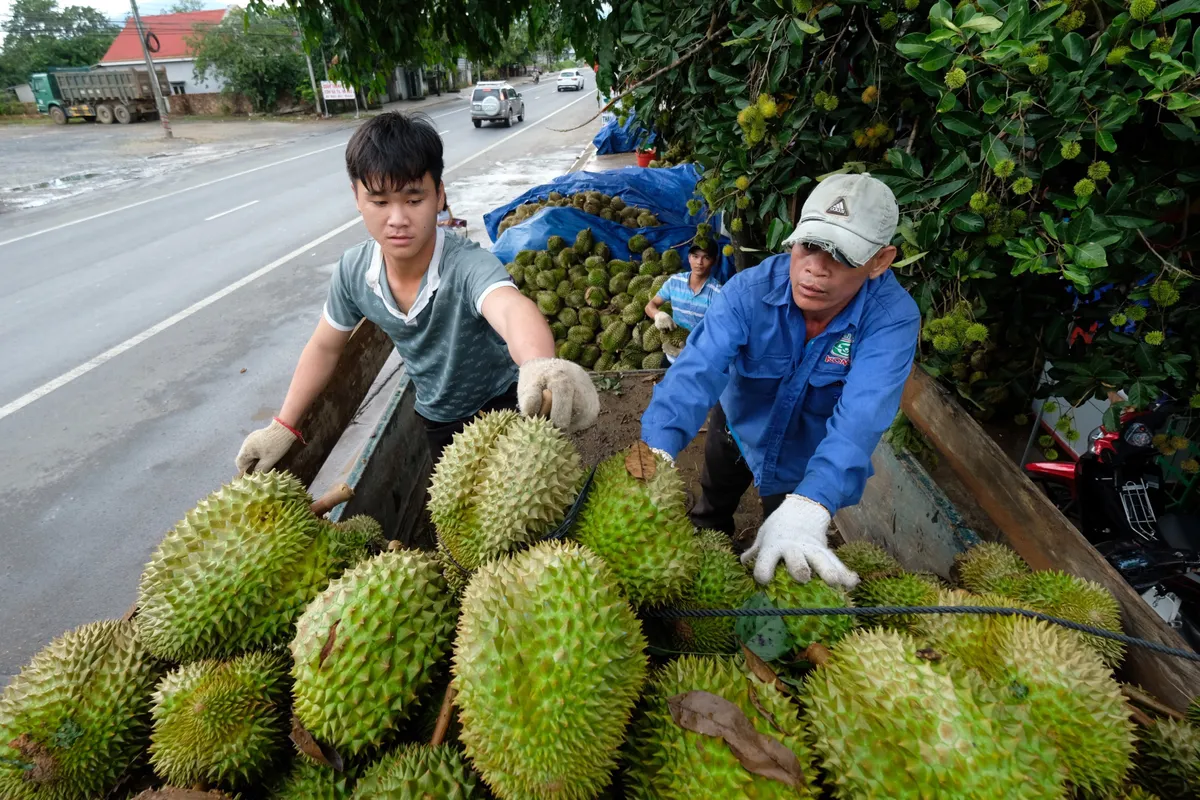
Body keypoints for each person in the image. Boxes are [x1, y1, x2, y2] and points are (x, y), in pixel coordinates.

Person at [236, 112, 599, 475]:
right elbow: (324, 346)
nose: (397, 219)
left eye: (413, 200)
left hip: (505, 400)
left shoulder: (466, 264)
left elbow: (509, 309)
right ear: (357, 198)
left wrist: (539, 364)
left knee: (528, 497)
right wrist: (283, 425)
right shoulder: (353, 273)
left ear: (439, 195)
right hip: (436, 417)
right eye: (379, 202)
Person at [640, 173, 920, 590]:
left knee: (784, 548)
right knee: (711, 504)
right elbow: (695, 372)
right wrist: (656, 450)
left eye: (841, 255)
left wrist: (812, 502)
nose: (815, 269)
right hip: (736, 428)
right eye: (809, 246)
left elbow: (862, 417)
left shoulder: (890, 320)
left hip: (802, 460)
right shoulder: (748, 292)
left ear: (879, 261)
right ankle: (704, 547)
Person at [644, 239, 722, 363]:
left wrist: (689, 353)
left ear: (714, 261)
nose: (699, 262)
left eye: (706, 257)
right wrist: (657, 314)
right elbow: (650, 306)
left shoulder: (718, 293)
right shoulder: (674, 281)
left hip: (700, 359)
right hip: (671, 354)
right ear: (689, 257)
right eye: (695, 256)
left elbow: (719, 334)